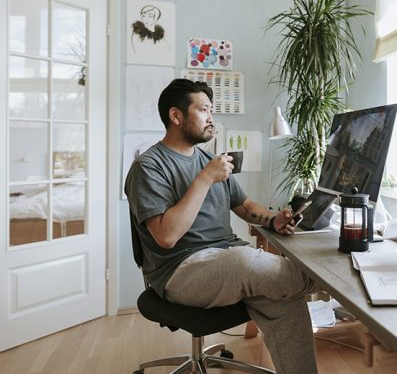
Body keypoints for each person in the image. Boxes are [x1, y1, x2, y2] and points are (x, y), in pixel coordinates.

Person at [125, 78, 318, 374]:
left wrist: (273, 219)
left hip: (226, 260)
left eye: (211, 110)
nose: (211, 118)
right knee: (246, 261)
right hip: (181, 270)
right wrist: (204, 178)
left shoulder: (209, 160)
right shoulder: (149, 166)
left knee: (285, 300)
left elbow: (246, 206)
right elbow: (166, 236)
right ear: (176, 116)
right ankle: (325, 280)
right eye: (203, 110)